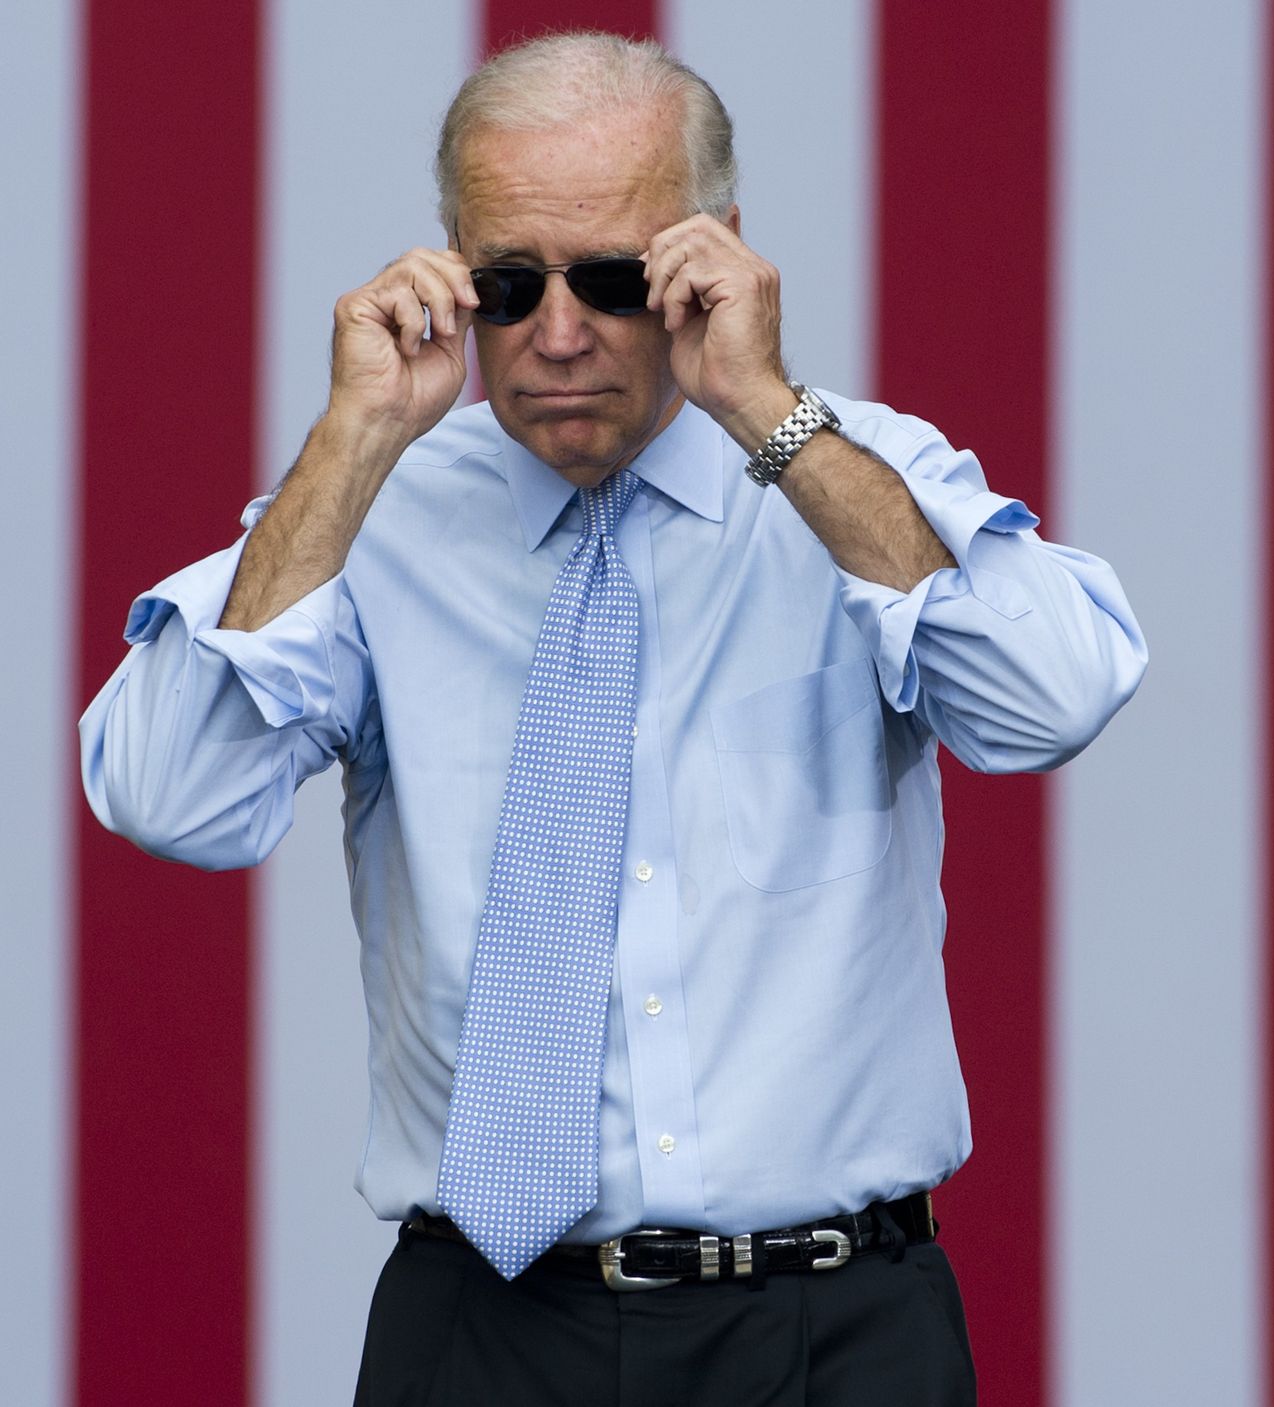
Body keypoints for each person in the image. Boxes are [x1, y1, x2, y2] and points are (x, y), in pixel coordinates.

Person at [80, 30, 1146, 1407]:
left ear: (718, 258)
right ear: (453, 275)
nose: (561, 334)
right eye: (511, 284)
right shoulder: (366, 521)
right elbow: (166, 798)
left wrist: (764, 408)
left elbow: (1051, 702)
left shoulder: (852, 478)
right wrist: (349, 444)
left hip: (834, 1335)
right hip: (484, 1333)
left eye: (616, 279)